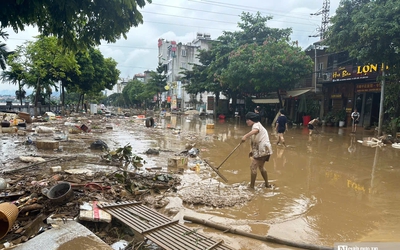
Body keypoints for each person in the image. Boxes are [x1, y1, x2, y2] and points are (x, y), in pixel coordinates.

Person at [241, 112, 273, 189]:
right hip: (265, 150)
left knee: (253, 167)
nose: (246, 122)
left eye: (248, 120)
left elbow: (255, 131)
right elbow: (254, 140)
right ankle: (267, 184)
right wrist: (252, 150)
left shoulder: (256, 125)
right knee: (261, 167)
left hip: (263, 149)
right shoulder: (256, 126)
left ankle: (252, 187)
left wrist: (245, 136)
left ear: (252, 120)